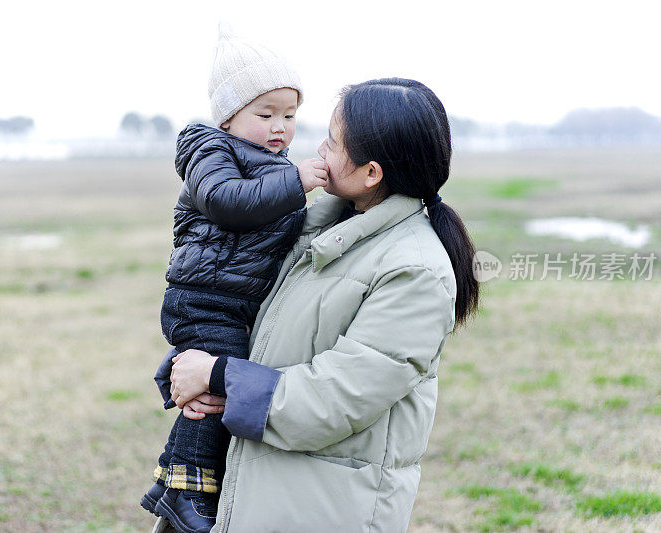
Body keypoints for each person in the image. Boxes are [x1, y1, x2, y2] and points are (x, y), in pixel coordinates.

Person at [161, 77, 480, 533]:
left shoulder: (415, 270)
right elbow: (261, 330)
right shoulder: (316, 231)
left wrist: (217, 375)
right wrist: (191, 362)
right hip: (263, 494)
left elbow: (333, 399)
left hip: (324, 508)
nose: (319, 150)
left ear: (372, 173)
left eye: (333, 141)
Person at [139, 28, 327, 533]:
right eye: (264, 114)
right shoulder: (210, 152)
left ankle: (177, 484)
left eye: (289, 116)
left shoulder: (271, 164)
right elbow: (227, 202)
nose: (280, 127)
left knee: (216, 381)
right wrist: (296, 182)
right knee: (216, 386)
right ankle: (187, 489)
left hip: (231, 302)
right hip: (204, 298)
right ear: (228, 116)